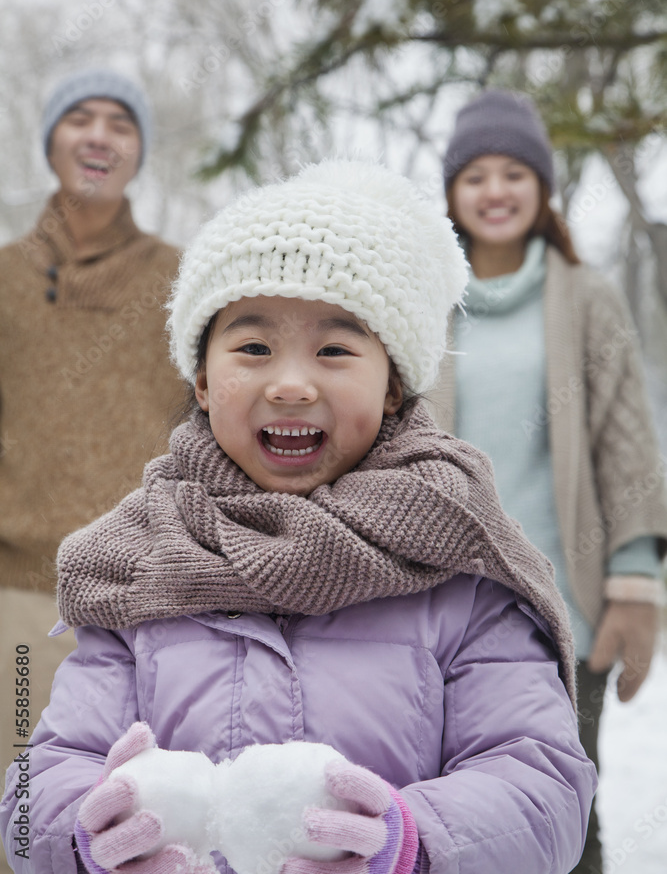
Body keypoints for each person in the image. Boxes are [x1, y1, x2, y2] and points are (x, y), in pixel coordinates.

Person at [0, 160, 596, 874]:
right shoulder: (138, 563)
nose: (289, 383)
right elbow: (35, 784)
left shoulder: (457, 564)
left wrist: (408, 841)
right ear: (199, 378)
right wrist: (85, 832)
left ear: (395, 385)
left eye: (334, 350)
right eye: (252, 348)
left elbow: (543, 784)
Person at [429, 89, 667, 874]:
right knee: (445, 814)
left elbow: (625, 447)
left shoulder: (583, 297)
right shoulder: (425, 302)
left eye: (512, 173)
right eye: (475, 176)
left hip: (562, 615)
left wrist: (633, 582)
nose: (494, 191)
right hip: (440, 612)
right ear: (451, 193)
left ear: (539, 186)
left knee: (563, 819)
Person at [0, 67, 184, 870]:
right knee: (23, 802)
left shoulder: (182, 278)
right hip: (18, 593)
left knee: (146, 816)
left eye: (121, 122)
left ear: (139, 152)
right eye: (80, 119)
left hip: (151, 595)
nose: (100, 135)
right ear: (52, 141)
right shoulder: (4, 276)